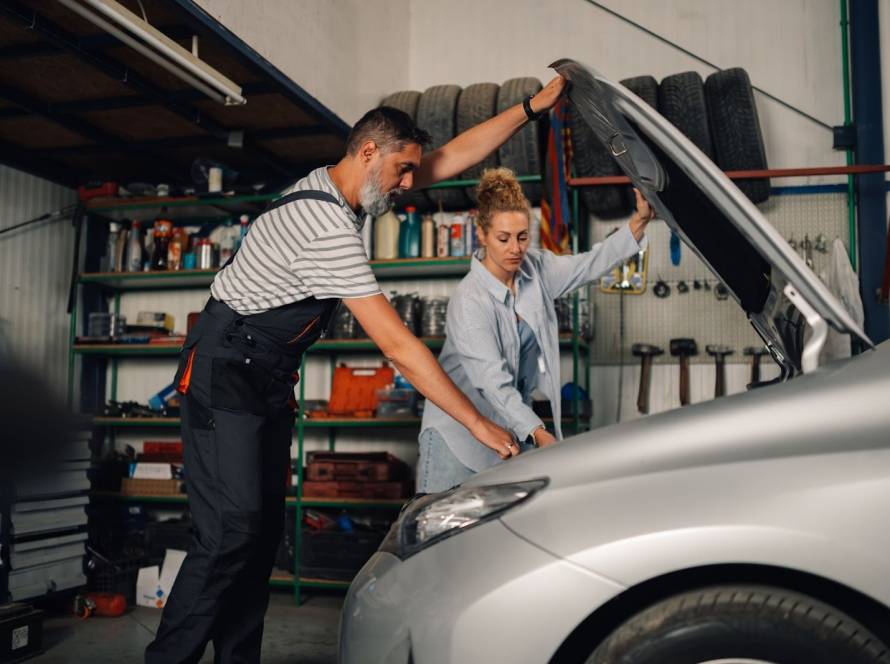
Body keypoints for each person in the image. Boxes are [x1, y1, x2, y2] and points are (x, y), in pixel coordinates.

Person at [145, 76, 567, 664]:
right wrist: (478, 423)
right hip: (224, 372)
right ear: (369, 152)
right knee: (229, 536)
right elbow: (398, 347)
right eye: (401, 171)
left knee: (259, 537)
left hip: (265, 376)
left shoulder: (344, 187)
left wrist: (528, 109)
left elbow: (451, 156)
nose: (408, 183)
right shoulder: (325, 228)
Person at [417, 168, 654, 493]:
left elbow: (589, 264)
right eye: (503, 239)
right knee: (439, 537)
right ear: (482, 235)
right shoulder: (470, 300)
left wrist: (639, 221)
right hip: (456, 439)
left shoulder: (537, 269)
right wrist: (539, 433)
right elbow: (492, 383)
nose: (515, 249)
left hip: (512, 433)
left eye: (522, 237)